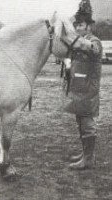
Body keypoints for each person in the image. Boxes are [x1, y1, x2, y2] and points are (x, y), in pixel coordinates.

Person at [64, 0, 103, 170]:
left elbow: (94, 49)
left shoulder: (94, 41)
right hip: (79, 87)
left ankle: (88, 159)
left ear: (88, 26)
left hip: (87, 89)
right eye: (76, 26)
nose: (78, 28)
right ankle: (85, 154)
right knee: (80, 120)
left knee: (87, 123)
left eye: (80, 25)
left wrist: (77, 40)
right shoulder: (80, 39)